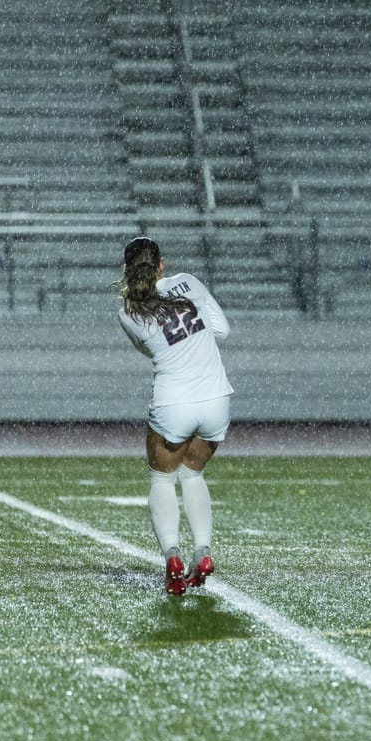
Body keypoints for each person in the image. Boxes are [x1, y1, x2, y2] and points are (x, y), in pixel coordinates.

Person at [117, 237, 233, 595]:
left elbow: (150, 349)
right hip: (216, 399)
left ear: (126, 269)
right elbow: (221, 331)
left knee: (162, 481)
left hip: (174, 403)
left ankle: (172, 556)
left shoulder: (127, 311)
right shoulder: (189, 282)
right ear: (162, 265)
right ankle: (204, 552)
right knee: (193, 476)